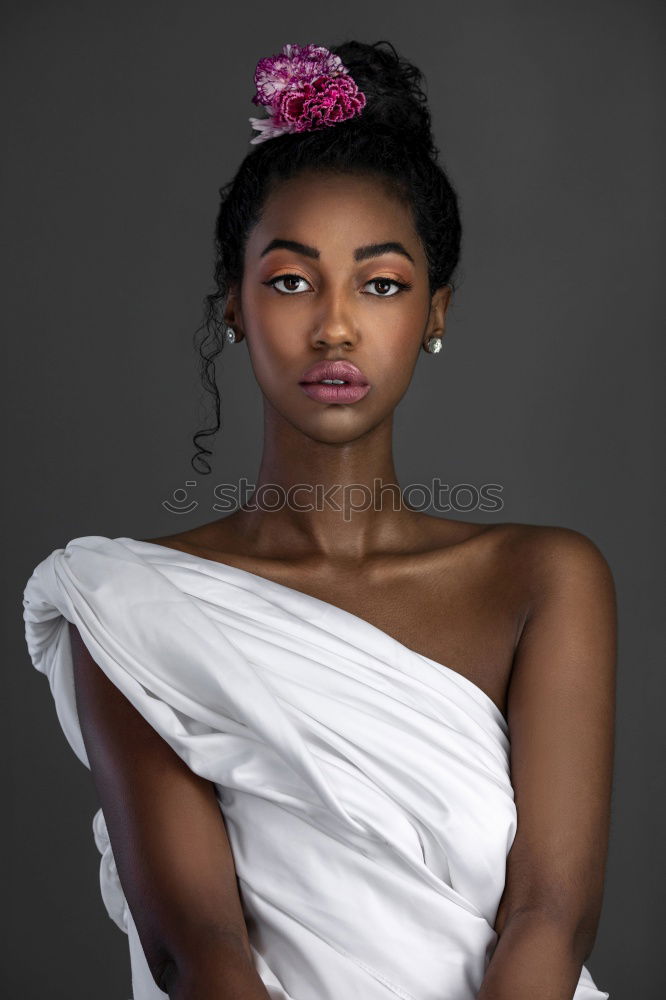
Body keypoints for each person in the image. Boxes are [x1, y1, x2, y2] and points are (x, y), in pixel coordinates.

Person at [22, 40, 616, 1000]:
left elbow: (551, 912)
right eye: (291, 281)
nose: (335, 325)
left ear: (435, 311)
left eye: (380, 283)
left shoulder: (546, 581)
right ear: (236, 307)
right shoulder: (132, 609)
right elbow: (199, 951)